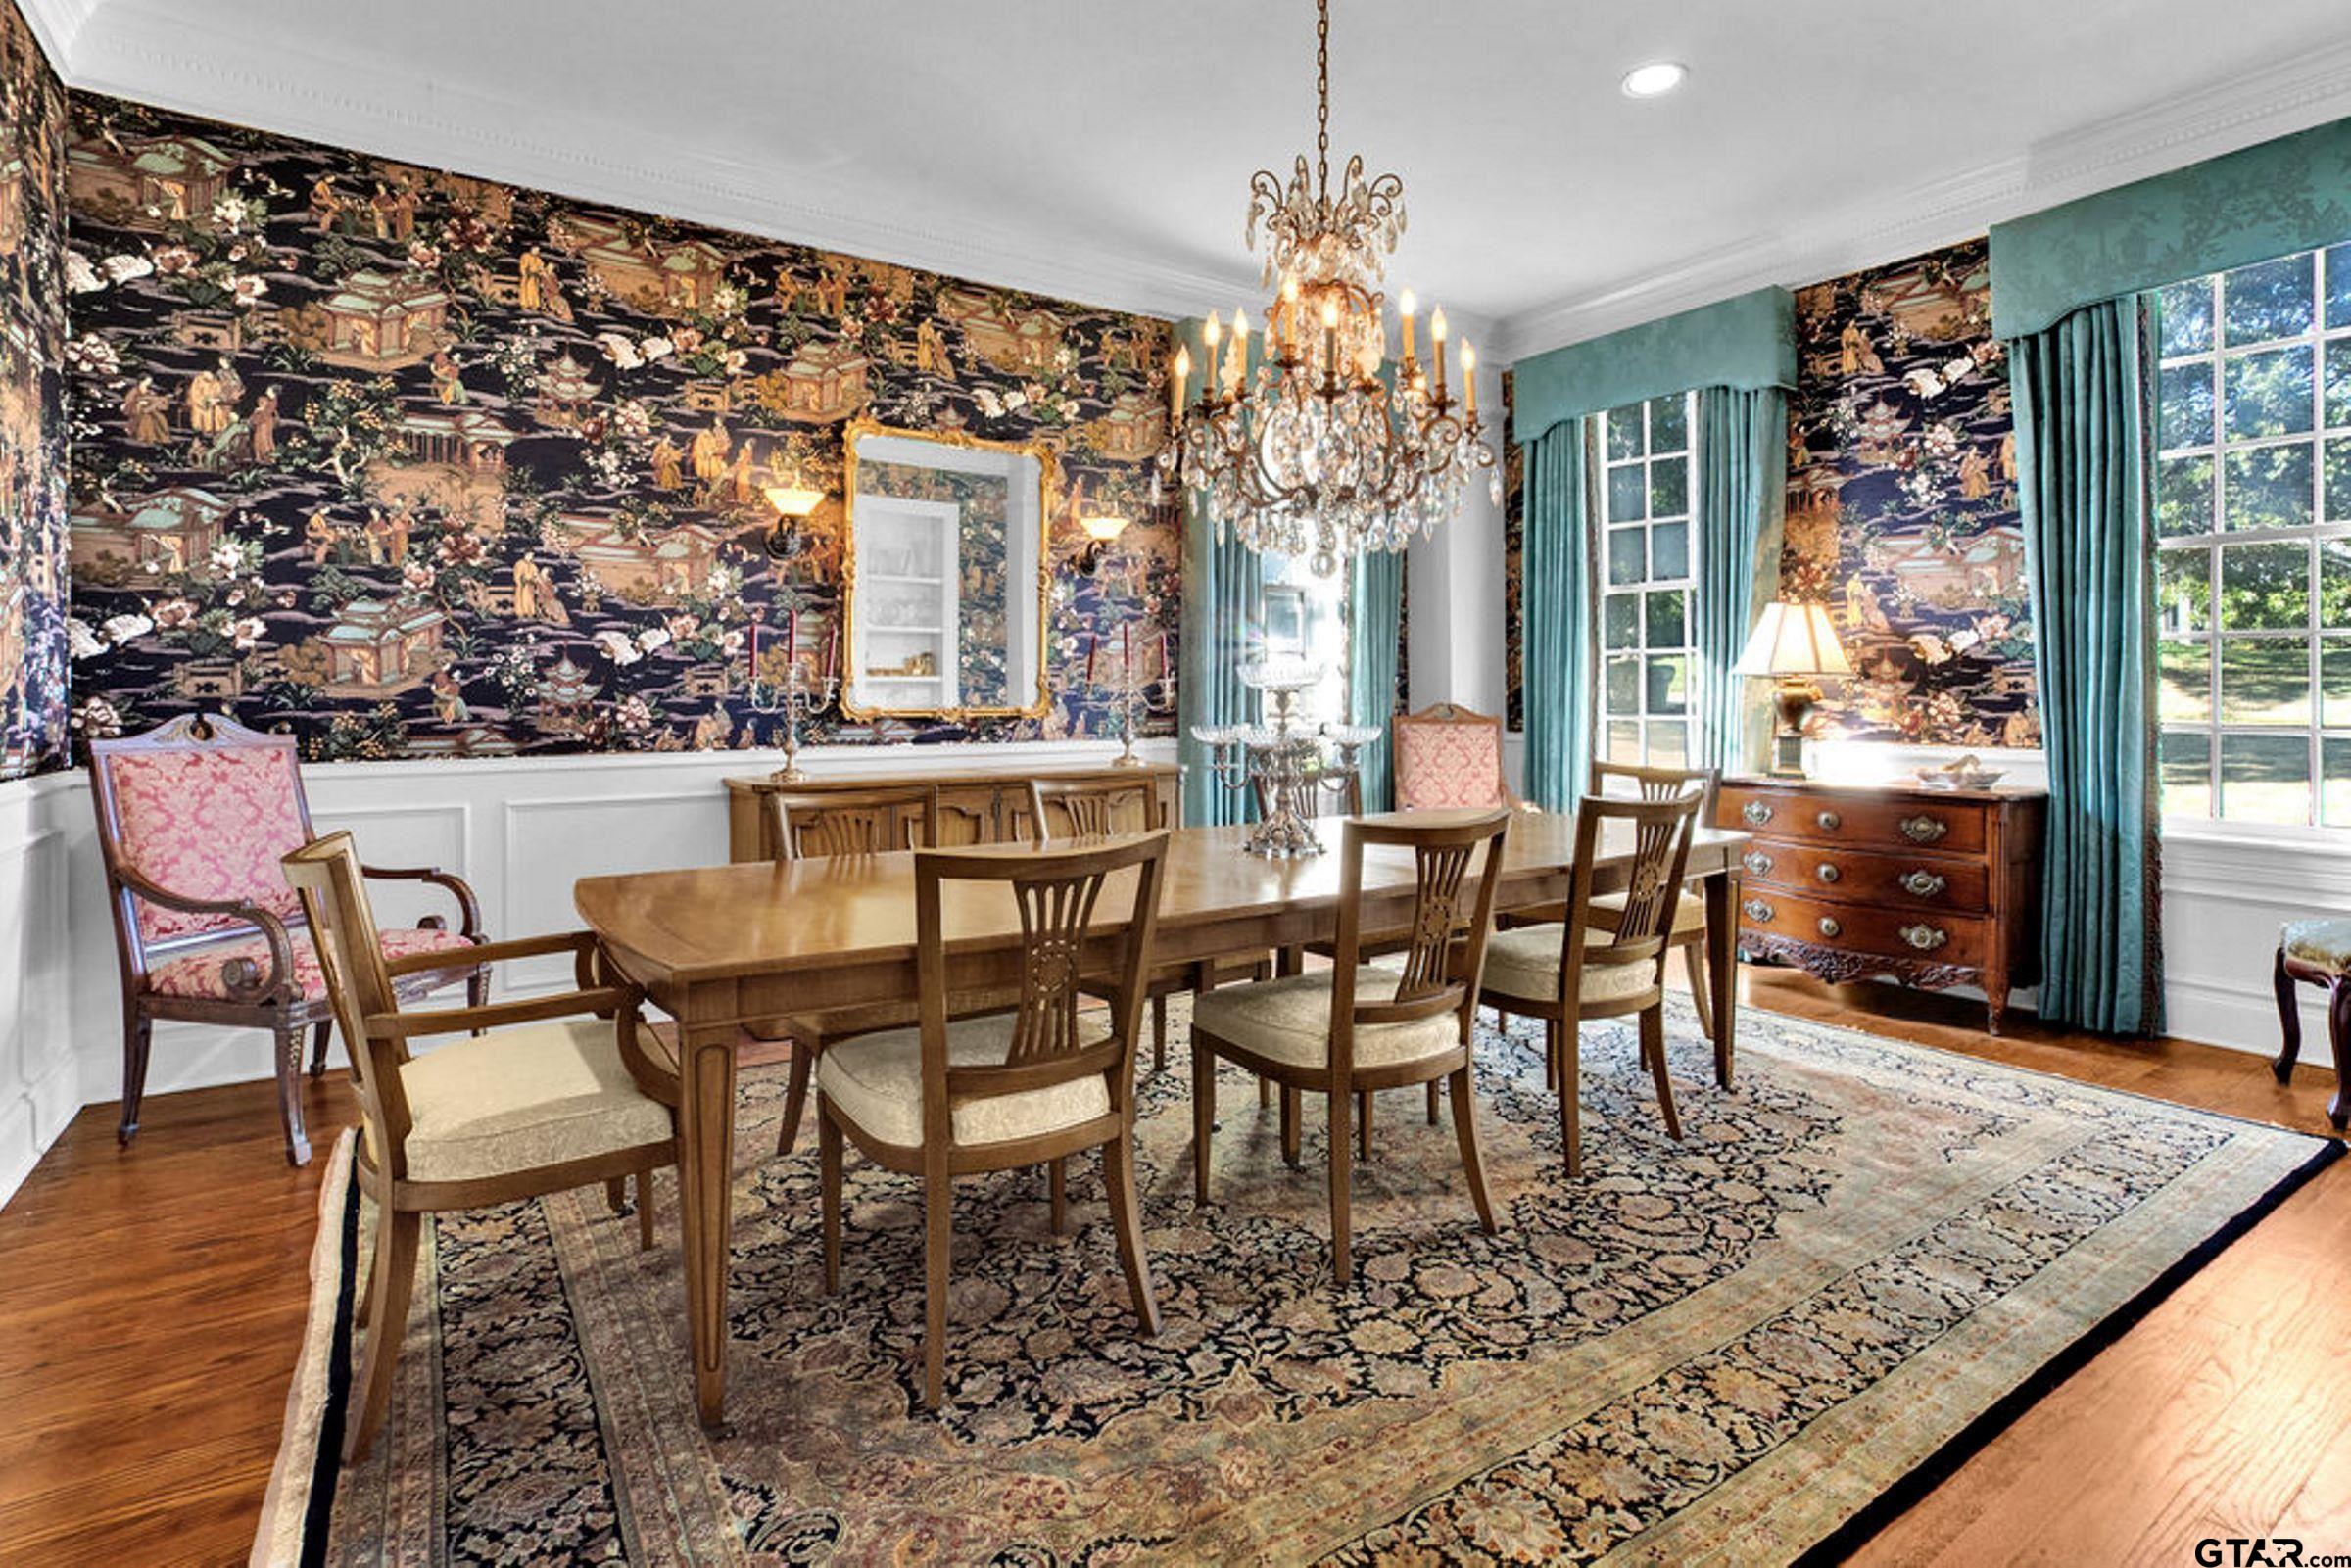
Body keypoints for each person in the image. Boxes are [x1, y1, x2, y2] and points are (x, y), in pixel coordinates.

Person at [247, 385, 279, 464]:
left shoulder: (273, 401)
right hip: (263, 422)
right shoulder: (269, 400)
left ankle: (268, 458)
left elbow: (267, 412)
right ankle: (260, 457)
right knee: (259, 439)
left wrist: (260, 411)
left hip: (265, 423)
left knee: (265, 440)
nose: (267, 391)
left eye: (269, 390)